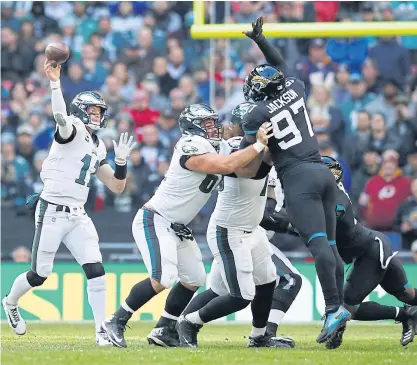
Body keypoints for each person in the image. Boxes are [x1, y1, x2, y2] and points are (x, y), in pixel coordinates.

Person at [102, 103, 273, 348]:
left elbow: (246, 171)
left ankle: (164, 329)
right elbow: (226, 166)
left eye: (215, 122)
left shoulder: (219, 146)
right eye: (208, 124)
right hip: (156, 218)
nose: (216, 128)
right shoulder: (189, 144)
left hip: (178, 225)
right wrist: (257, 144)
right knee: (163, 278)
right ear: (194, 127)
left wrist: (266, 150)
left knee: (193, 277)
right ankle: (116, 321)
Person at [2, 61, 136, 346]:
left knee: (96, 270)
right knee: (40, 274)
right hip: (52, 209)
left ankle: (102, 331)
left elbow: (116, 185)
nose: (98, 116)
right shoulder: (71, 127)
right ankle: (11, 302)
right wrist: (54, 83)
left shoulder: (99, 145)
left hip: (78, 214)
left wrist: (121, 163)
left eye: (100, 111)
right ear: (80, 112)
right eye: (93, 111)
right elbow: (60, 116)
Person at [239, 16, 350, 344]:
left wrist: (254, 144)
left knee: (317, 245)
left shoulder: (255, 114)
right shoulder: (296, 88)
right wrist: (261, 40)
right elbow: (281, 65)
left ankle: (333, 309)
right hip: (321, 169)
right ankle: (337, 309)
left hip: (297, 177)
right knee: (329, 246)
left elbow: (250, 156)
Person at [177, 102, 298, 348]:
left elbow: (265, 172)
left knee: (267, 282)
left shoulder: (257, 147)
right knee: (242, 296)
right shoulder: (234, 147)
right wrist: (262, 146)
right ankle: (189, 323)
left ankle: (259, 336)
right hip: (229, 230)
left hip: (252, 229)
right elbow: (249, 171)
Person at [321, 157, 417, 350]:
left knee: (348, 308)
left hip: (372, 252)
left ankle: (405, 314)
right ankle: (408, 313)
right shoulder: (327, 196)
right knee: (407, 293)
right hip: (373, 247)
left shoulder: (337, 199)